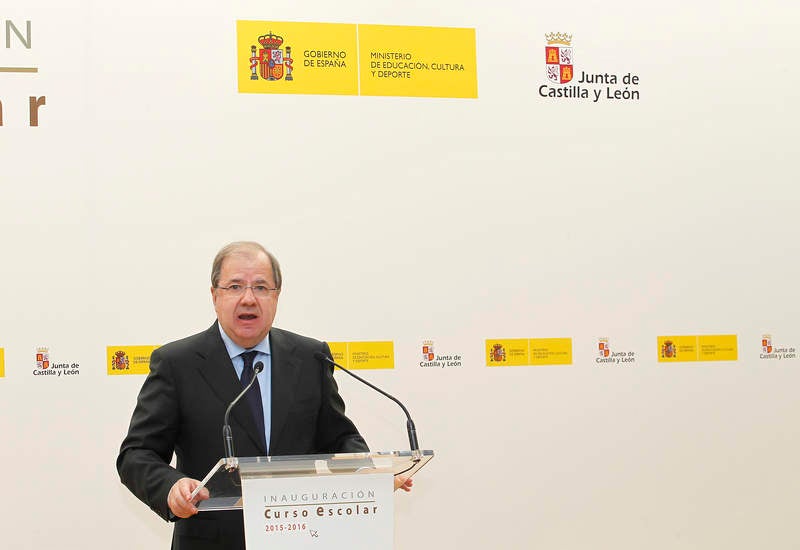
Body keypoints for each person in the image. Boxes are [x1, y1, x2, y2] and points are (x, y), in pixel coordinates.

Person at [117, 241, 408, 550]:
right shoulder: (178, 363)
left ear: (277, 296)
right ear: (215, 296)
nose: (248, 299)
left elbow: (338, 439)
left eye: (261, 287)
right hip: (212, 541)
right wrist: (171, 486)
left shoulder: (311, 357)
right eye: (234, 286)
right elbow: (137, 453)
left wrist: (370, 474)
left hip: (302, 536)